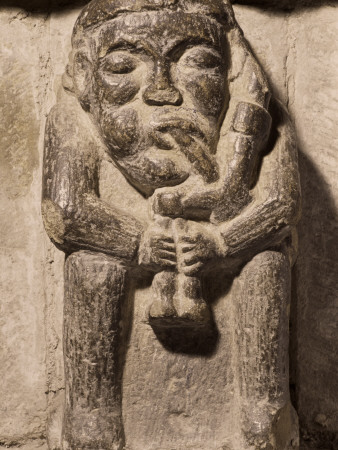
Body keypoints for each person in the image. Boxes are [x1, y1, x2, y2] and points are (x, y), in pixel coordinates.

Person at [42, 0, 301, 448]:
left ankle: (266, 413)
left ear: (233, 73)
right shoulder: (72, 119)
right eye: (124, 65)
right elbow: (65, 211)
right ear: (85, 77)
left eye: (197, 61)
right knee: (92, 265)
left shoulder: (262, 123)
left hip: (217, 252)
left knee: (264, 264)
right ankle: (92, 416)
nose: (162, 90)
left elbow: (280, 205)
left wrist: (222, 242)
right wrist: (139, 241)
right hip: (140, 255)